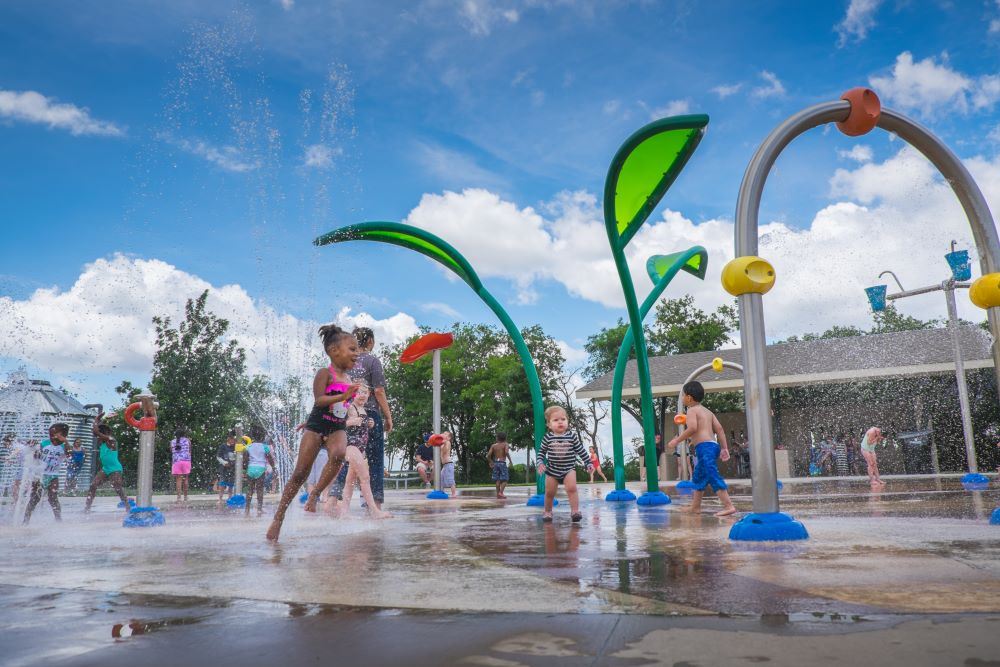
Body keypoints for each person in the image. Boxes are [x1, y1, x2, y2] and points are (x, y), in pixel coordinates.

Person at [266, 324, 360, 542]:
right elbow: (319, 401)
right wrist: (342, 396)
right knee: (300, 473)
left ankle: (316, 494)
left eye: (357, 350)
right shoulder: (325, 373)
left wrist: (350, 400)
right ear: (334, 351)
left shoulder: (349, 380)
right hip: (317, 425)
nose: (357, 354)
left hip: (337, 426)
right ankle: (279, 517)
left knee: (338, 454)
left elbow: (342, 409)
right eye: (352, 349)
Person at [667, 381, 737, 517]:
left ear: (689, 398)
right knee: (699, 476)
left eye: (683, 396)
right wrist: (724, 448)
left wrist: (677, 440)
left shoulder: (692, 410)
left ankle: (729, 506)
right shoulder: (708, 411)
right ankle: (695, 507)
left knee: (712, 474)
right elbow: (720, 429)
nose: (682, 399)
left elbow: (692, 428)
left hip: (705, 448)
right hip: (712, 446)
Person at [346, 327, 393, 510]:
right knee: (375, 459)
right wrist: (388, 417)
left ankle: (337, 502)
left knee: (348, 460)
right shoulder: (372, 361)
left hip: (349, 414)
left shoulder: (347, 362)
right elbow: (379, 391)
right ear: (370, 342)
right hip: (370, 415)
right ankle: (376, 505)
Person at [335, 383, 391, 519]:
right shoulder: (349, 407)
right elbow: (338, 422)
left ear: (369, 395)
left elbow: (362, 426)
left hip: (360, 449)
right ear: (354, 393)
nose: (363, 395)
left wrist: (369, 423)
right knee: (365, 477)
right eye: (360, 392)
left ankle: (344, 513)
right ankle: (375, 510)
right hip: (350, 446)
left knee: (350, 480)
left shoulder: (363, 409)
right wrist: (352, 422)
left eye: (365, 392)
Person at [538, 405, 593, 523]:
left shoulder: (572, 436)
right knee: (549, 492)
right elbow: (541, 452)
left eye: (563, 419)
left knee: (572, 488)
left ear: (567, 421)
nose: (560, 422)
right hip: (552, 470)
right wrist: (540, 462)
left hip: (569, 469)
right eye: (556, 420)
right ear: (549, 424)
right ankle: (547, 511)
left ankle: (575, 511)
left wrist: (588, 462)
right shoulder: (547, 438)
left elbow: (581, 450)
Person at [23, 423, 71, 524]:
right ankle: (25, 521)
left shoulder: (64, 446)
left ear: (62, 435)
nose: (51, 436)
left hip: (54, 475)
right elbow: (36, 457)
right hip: (40, 475)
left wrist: (65, 441)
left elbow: (69, 455)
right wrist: (33, 448)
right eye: (50, 434)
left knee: (53, 498)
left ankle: (58, 520)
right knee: (35, 498)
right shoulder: (44, 443)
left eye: (54, 434)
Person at [85, 412, 130, 512]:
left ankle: (127, 506)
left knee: (118, 488)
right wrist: (104, 420)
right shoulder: (103, 442)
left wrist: (97, 419)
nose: (98, 437)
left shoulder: (111, 440)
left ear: (105, 434)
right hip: (105, 469)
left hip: (114, 468)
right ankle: (87, 508)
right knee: (93, 486)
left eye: (101, 434)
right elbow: (96, 431)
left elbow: (96, 431)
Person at [243, 426, 276, 517]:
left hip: (251, 469)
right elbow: (270, 458)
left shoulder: (248, 446)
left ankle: (247, 509)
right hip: (260, 469)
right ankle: (259, 509)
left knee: (250, 489)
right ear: (262, 437)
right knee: (259, 490)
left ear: (252, 436)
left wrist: (246, 469)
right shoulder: (265, 447)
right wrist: (273, 467)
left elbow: (245, 460)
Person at [486, 433, 514, 499]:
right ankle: (501, 492)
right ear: (505, 438)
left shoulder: (493, 446)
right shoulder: (506, 444)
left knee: (497, 480)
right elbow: (506, 452)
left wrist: (491, 462)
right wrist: (510, 461)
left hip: (495, 463)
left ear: (497, 438)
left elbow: (488, 455)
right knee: (505, 479)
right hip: (502, 463)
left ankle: (498, 495)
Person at [170, 427, 192, 503]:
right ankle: (185, 497)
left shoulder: (172, 442)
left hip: (176, 461)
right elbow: (189, 451)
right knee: (186, 479)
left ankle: (179, 497)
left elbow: (172, 451)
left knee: (178, 480)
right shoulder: (188, 441)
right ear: (184, 434)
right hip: (186, 461)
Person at [216, 432, 237, 504]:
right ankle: (220, 499)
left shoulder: (235, 446)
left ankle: (230, 498)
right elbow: (218, 457)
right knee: (222, 484)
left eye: (234, 440)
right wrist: (224, 463)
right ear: (228, 439)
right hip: (224, 469)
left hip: (232, 468)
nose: (233, 441)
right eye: (232, 440)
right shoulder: (223, 446)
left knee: (231, 484)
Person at [438, 432, 457, 497]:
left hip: (449, 464)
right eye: (443, 433)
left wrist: (444, 442)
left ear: (449, 438)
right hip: (445, 465)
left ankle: (454, 494)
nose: (443, 434)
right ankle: (441, 492)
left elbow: (445, 451)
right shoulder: (442, 443)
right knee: (440, 479)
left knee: (450, 479)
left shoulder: (448, 442)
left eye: (445, 434)